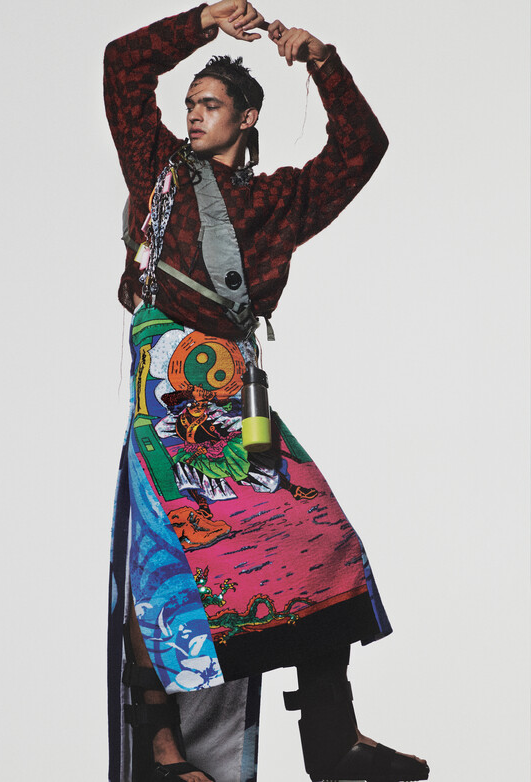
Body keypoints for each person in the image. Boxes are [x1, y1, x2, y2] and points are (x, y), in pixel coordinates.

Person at [104, 3, 430, 781]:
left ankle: (332, 740)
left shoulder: (279, 201)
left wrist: (320, 59)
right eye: (190, 103)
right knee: (167, 560)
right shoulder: (158, 171)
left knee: (320, 540)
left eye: (210, 104)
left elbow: (362, 147)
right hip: (170, 401)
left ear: (246, 118)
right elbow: (123, 66)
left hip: (238, 403)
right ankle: (163, 752)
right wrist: (201, 22)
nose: (193, 114)